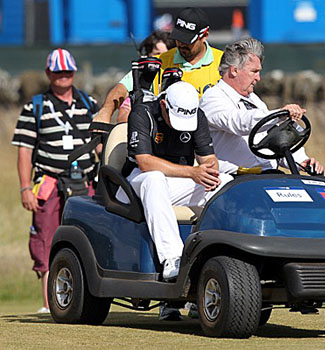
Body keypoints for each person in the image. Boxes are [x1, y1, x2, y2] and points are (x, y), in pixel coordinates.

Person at [116, 81, 232, 280]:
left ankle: (220, 253)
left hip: (175, 182)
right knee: (154, 179)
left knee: (225, 182)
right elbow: (144, 162)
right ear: (163, 105)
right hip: (135, 183)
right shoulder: (142, 114)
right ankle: (173, 257)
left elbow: (207, 156)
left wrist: (210, 168)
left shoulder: (197, 115)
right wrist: (192, 172)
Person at [11, 48, 98, 313]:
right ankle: (50, 303)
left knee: (89, 238)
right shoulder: (35, 106)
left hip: (85, 182)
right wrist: (26, 188)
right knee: (45, 238)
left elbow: (99, 145)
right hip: (48, 182)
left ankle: (87, 300)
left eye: (68, 71)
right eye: (58, 72)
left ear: (74, 73)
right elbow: (24, 150)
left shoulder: (89, 103)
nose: (63, 76)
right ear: (49, 73)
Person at [200, 37, 323, 174]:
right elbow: (239, 122)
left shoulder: (254, 99)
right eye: (254, 71)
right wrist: (279, 115)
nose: (258, 78)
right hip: (234, 180)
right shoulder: (211, 98)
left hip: (265, 176)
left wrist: (302, 162)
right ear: (234, 70)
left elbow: (274, 137)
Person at [95, 7, 222, 125]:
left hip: (211, 138)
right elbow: (123, 87)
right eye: (178, 38)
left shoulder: (224, 63)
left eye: (187, 40)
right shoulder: (158, 62)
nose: (181, 44)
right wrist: (105, 112)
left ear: (204, 36)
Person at [117, 30, 174, 122]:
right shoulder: (137, 75)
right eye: (157, 54)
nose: (161, 59)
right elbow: (123, 116)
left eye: (166, 55)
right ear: (147, 54)